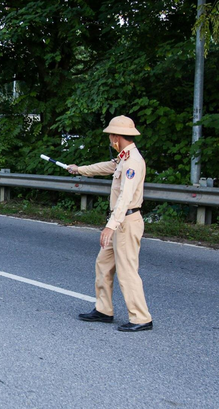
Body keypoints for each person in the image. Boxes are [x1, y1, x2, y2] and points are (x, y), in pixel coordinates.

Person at [66, 116, 153, 332]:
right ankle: (104, 310)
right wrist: (80, 169)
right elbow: (106, 167)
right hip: (119, 221)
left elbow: (125, 197)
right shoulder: (123, 158)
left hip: (126, 221)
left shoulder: (133, 161)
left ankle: (141, 317)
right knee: (103, 263)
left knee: (127, 271)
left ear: (116, 136)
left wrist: (110, 225)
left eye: (111, 135)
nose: (110, 139)